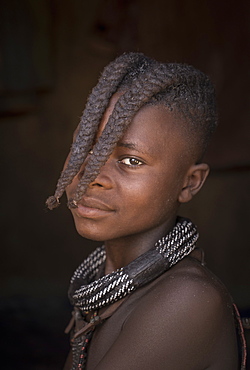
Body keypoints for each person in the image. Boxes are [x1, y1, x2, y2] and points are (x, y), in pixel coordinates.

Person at [46, 53, 246, 369]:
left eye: (131, 161)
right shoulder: (104, 289)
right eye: (87, 149)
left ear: (190, 182)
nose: (92, 176)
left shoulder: (187, 299)